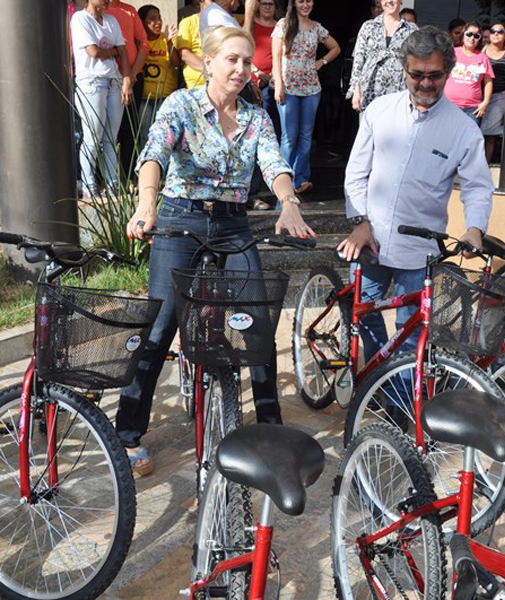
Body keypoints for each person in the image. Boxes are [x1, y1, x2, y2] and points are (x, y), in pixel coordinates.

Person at [123, 26, 314, 475]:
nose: (241, 69)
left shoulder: (256, 117)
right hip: (179, 216)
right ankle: (128, 432)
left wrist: (288, 202)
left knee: (257, 321)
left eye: (247, 61)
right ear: (208, 62)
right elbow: (155, 154)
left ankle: (270, 429)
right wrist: (146, 204)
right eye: (231, 59)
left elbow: (274, 163)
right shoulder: (181, 105)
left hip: (232, 223)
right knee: (162, 322)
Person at [338, 26, 492, 377]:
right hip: (369, 241)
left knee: (410, 341)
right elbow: (356, 172)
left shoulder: (464, 130)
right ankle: (378, 381)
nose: (425, 83)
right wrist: (359, 221)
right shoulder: (379, 110)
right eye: (416, 74)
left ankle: (398, 407)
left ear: (449, 72)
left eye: (434, 75)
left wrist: (474, 228)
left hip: (418, 252)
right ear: (404, 70)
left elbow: (477, 187)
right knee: (364, 318)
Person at [272, 0, 340, 195]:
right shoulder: (283, 25)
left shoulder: (316, 27)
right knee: (289, 137)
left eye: (308, 1)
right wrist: (279, 85)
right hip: (289, 88)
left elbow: (335, 48)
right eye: (301, 1)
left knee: (305, 136)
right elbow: (275, 57)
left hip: (311, 89)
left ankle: (300, 179)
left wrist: (322, 61)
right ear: (294, 3)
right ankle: (283, 180)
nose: (305, 5)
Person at [71, 0, 132, 198]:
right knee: (92, 137)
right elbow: (93, 52)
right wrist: (113, 51)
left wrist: (126, 80)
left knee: (110, 138)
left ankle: (113, 186)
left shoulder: (111, 19)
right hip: (91, 81)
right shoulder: (80, 18)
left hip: (114, 81)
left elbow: (123, 51)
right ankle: (89, 186)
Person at [347, 0, 418, 113]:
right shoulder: (368, 26)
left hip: (398, 94)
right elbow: (358, 61)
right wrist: (356, 90)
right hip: (369, 92)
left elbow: (416, 63)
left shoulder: (411, 30)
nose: (389, 1)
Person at [105, 0, 148, 177]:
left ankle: (129, 178)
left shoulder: (129, 10)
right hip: (107, 79)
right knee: (105, 132)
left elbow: (143, 44)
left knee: (129, 130)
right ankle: (104, 179)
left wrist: (131, 75)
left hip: (132, 79)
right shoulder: (98, 11)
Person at [137, 5, 179, 146]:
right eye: (152, 19)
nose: (158, 22)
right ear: (142, 22)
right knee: (145, 136)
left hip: (165, 97)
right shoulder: (139, 42)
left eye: (159, 17)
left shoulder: (165, 39)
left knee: (166, 137)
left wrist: (168, 43)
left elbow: (176, 63)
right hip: (145, 98)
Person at [443, 21, 493, 125]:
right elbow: (441, 75)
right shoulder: (452, 52)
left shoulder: (482, 58)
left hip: (472, 109)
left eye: (476, 36)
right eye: (469, 34)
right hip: (448, 105)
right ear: (463, 35)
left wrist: (485, 102)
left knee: (469, 140)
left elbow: (488, 81)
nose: (472, 38)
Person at [481, 21, 505, 163]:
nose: (496, 34)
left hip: (499, 97)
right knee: (475, 134)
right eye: (493, 31)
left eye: (500, 31)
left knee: (491, 136)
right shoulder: (481, 52)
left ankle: (485, 165)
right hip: (478, 96)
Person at [251, 0, 280, 136]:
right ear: (258, 6)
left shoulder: (281, 27)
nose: (267, 7)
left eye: (271, 4)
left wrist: (271, 77)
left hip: (273, 80)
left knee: (269, 109)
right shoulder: (249, 24)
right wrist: (257, 73)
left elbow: (283, 54)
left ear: (275, 7)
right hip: (251, 78)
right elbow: (241, 50)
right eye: (264, 3)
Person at [175, 0, 212, 88]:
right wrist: (211, 71)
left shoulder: (224, 24)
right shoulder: (188, 22)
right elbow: (185, 54)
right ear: (201, 1)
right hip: (195, 87)